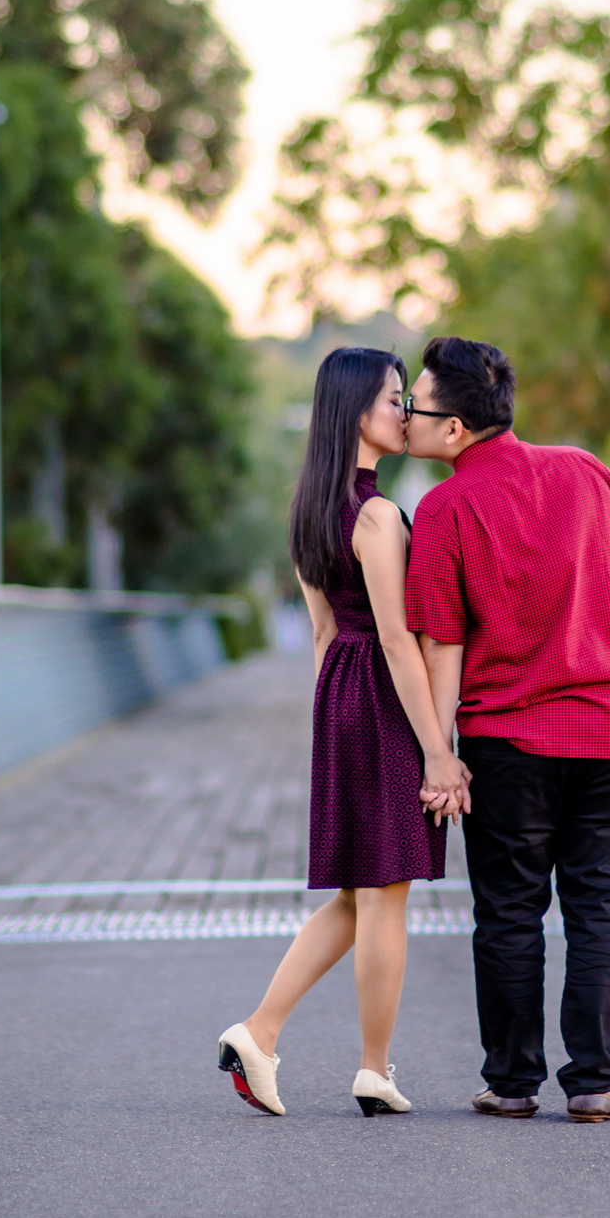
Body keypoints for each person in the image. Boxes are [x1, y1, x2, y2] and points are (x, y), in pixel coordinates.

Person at [402, 337, 610, 1123]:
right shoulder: (588, 471)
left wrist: (439, 752)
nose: (406, 415)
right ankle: (593, 1083)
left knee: (509, 911)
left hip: (509, 744)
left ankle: (512, 1083)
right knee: (598, 907)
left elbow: (442, 646)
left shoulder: (445, 509)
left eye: (417, 405)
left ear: (454, 432)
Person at [217, 348, 469, 1119]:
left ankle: (259, 1031)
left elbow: (327, 634)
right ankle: (372, 1068)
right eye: (394, 399)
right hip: (387, 700)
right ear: (356, 409)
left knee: (362, 896)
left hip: (342, 697)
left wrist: (335, 725)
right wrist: (436, 751)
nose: (405, 412)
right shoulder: (379, 515)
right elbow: (397, 640)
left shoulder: (309, 512)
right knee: (385, 896)